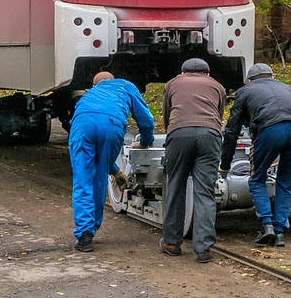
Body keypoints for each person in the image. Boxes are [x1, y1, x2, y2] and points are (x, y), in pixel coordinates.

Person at [220, 63, 291, 246]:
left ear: (249, 80)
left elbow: (231, 130)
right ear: (272, 77)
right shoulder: (287, 87)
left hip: (270, 129)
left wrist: (226, 163)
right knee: (286, 182)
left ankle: (266, 225)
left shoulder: (244, 91)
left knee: (257, 178)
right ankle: (280, 231)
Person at [68, 71, 155, 252]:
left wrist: (115, 171)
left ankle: (85, 236)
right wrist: (146, 142)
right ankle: (91, 228)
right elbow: (146, 120)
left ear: (95, 85)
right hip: (111, 124)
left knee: (82, 179)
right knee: (99, 179)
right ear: (112, 80)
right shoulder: (126, 85)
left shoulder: (89, 94)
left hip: (82, 125)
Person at [160, 58, 226, 263]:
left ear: (182, 72)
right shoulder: (217, 86)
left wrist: (172, 131)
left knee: (176, 186)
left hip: (179, 133)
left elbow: (167, 113)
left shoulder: (172, 83)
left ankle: (171, 243)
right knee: (205, 191)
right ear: (207, 74)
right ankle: (204, 248)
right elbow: (219, 114)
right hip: (209, 134)